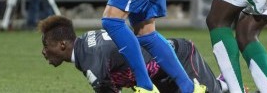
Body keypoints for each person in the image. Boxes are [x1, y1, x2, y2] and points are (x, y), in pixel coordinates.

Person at [38, 15, 226, 93]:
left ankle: (227, 85)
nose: (44, 52)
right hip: (161, 78)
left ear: (62, 45)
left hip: (180, 60)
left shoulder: (90, 60)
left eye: (46, 45)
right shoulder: (86, 44)